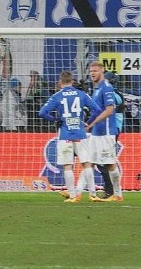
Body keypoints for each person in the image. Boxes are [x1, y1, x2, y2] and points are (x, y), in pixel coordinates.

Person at [39, 71, 101, 202]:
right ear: (72, 81)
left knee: (68, 165)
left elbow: (42, 112)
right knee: (86, 163)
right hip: (80, 133)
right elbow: (97, 110)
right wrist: (88, 123)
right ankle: (93, 194)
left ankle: (73, 196)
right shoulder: (81, 94)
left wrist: (55, 119)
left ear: (60, 82)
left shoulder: (57, 96)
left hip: (65, 134)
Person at [85, 61, 123, 202]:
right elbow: (96, 111)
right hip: (96, 132)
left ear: (102, 71)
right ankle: (79, 193)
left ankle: (118, 194)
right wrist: (88, 124)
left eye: (95, 71)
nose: (92, 74)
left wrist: (93, 123)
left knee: (110, 163)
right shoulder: (97, 89)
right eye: (90, 71)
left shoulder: (107, 88)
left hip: (106, 132)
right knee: (89, 161)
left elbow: (109, 110)